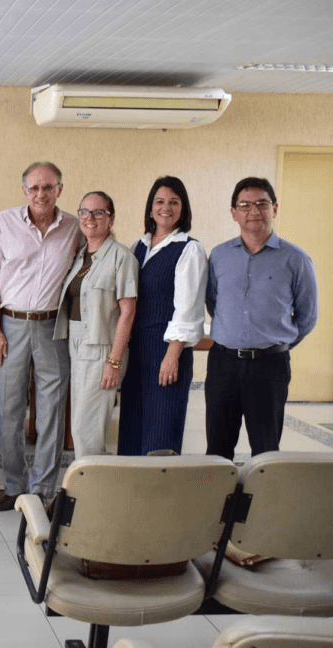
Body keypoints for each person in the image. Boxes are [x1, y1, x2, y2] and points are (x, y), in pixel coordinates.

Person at [0, 162, 80, 511]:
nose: (41, 194)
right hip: (11, 325)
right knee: (10, 409)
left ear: (59, 189)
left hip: (53, 327)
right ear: (24, 190)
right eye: (35, 188)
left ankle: (42, 490)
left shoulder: (73, 227)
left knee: (52, 411)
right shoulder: (4, 222)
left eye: (48, 187)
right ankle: (14, 486)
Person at [205, 177, 318, 459]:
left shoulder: (296, 259)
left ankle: (263, 492)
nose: (254, 211)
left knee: (266, 450)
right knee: (217, 448)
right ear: (234, 212)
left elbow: (307, 315)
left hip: (270, 367)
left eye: (262, 204)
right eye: (245, 205)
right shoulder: (219, 256)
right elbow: (213, 302)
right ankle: (219, 490)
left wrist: (276, 345)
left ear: (274, 208)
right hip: (223, 364)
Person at [118, 177, 207, 455]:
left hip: (167, 349)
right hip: (137, 349)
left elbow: (189, 308)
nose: (165, 208)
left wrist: (172, 355)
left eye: (173, 202)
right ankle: (132, 483)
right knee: (132, 428)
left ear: (183, 208)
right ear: (150, 207)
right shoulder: (138, 246)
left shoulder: (189, 249)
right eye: (159, 201)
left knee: (161, 431)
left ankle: (159, 484)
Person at [53, 192, 138, 459]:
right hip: (76, 344)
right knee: (81, 427)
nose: (90, 218)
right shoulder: (80, 256)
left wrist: (114, 362)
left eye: (98, 212)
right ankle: (89, 482)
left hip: (101, 350)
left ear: (110, 218)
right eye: (84, 212)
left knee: (85, 430)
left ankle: (92, 484)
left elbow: (128, 313)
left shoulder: (122, 257)